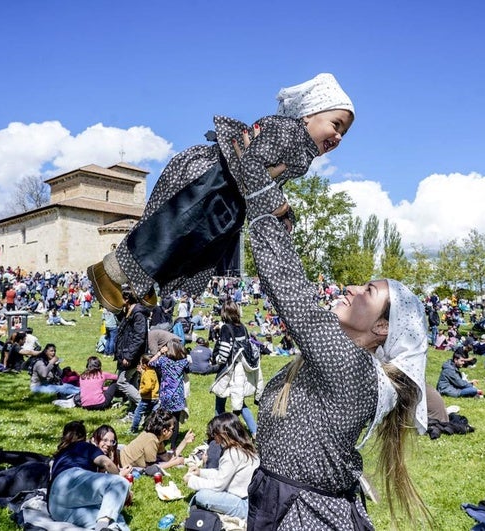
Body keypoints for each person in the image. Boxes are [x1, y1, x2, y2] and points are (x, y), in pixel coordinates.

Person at [235, 121, 431, 528]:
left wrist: (259, 198)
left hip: (304, 516)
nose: (353, 288)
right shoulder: (343, 362)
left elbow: (292, 294)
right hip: (281, 502)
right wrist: (279, 213)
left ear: (382, 330)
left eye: (369, 292)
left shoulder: (353, 369)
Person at [87, 73, 354, 314]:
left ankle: (141, 280)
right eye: (336, 124)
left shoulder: (302, 151)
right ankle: (109, 272)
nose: (339, 136)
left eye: (344, 132)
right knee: (170, 231)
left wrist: (284, 212)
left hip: (228, 198)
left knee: (190, 247)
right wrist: (277, 205)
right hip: (211, 182)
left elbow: (271, 181)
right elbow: (251, 162)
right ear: (309, 114)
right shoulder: (287, 132)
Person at [47, 420, 132, 531]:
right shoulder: (84, 446)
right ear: (84, 436)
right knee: (120, 483)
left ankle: (103, 527)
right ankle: (102, 526)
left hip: (56, 508)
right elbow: (107, 463)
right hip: (70, 480)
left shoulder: (60, 455)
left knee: (115, 520)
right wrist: (121, 482)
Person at [184, 413, 259, 520]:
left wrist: (192, 481)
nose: (213, 438)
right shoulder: (244, 447)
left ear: (222, 434)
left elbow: (218, 486)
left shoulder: (232, 454)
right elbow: (222, 473)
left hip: (244, 504)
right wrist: (200, 472)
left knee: (202, 496)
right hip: (253, 500)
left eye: (214, 434)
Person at [211, 300, 264, 437]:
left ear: (224, 313)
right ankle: (254, 431)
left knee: (220, 400)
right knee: (240, 402)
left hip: (230, 369)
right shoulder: (243, 327)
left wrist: (217, 360)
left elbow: (224, 352)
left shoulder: (225, 328)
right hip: (242, 369)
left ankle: (219, 431)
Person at [148, 337, 190, 450]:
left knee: (164, 418)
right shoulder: (183, 362)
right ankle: (173, 446)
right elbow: (189, 368)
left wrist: (159, 353)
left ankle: (160, 440)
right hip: (178, 395)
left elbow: (150, 363)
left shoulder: (163, 360)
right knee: (175, 420)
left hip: (166, 394)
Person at [119, 409, 195, 471]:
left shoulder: (158, 438)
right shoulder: (151, 440)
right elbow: (151, 469)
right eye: (172, 429)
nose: (173, 431)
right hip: (121, 463)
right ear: (164, 431)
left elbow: (167, 458)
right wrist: (175, 463)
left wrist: (185, 441)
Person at [114, 289, 150, 410]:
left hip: (133, 355)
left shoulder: (138, 314)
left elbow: (139, 337)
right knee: (133, 383)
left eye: (121, 297)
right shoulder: (129, 311)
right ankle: (133, 412)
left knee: (122, 382)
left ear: (127, 299)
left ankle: (147, 406)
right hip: (127, 353)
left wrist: (129, 356)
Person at [131, 354, 159, 434]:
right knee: (153, 414)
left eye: (140, 363)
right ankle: (152, 428)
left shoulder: (146, 374)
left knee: (137, 413)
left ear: (144, 365)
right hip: (155, 397)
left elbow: (148, 386)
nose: (139, 364)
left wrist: (141, 391)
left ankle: (134, 429)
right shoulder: (153, 372)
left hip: (147, 398)